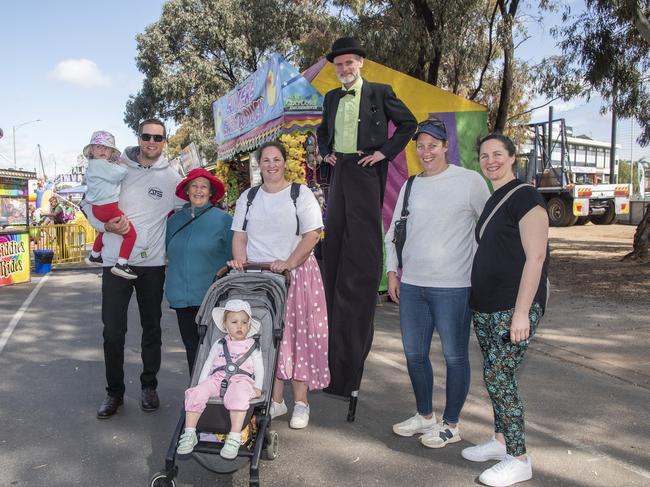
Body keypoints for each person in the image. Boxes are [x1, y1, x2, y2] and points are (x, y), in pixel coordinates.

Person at [316, 37, 417, 405]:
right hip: (339, 170)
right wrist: (325, 152)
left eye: (349, 63)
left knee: (361, 249)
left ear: (360, 62)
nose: (344, 70)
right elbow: (322, 131)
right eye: (338, 65)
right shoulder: (330, 98)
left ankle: (360, 286)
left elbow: (408, 124)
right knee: (335, 237)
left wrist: (383, 154)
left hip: (364, 167)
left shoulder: (379, 91)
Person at [385, 117, 490, 447]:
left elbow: (489, 227)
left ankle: (451, 424)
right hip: (413, 285)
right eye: (421, 146)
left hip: (454, 288)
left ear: (446, 146)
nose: (426, 151)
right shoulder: (411, 185)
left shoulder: (469, 181)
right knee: (415, 355)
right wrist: (392, 273)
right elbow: (393, 234)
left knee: (455, 357)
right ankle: (424, 415)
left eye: (433, 145)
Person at [461, 133, 549, 487]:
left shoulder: (525, 196)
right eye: (484, 155)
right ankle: (500, 441)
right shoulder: (494, 198)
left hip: (513, 307)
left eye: (498, 154)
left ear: (513, 157)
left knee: (501, 378)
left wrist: (521, 313)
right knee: (495, 378)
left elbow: (536, 256)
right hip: (487, 306)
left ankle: (519, 458)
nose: (490, 160)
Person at [84, 118, 183, 419]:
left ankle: (148, 386)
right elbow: (88, 204)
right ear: (138, 138)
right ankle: (114, 393)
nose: (152, 142)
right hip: (116, 263)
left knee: (152, 328)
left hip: (152, 265)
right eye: (146, 136)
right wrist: (104, 224)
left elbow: (187, 211)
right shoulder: (116, 165)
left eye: (158, 138)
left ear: (165, 142)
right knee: (113, 331)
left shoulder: (173, 177)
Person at [228, 140, 329, 430]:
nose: (271, 165)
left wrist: (289, 262)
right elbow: (240, 236)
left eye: (276, 159)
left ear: (285, 162)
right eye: (265, 160)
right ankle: (275, 400)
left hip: (296, 274)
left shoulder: (301, 194)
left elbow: (312, 234)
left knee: (297, 337)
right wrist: (241, 265)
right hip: (261, 277)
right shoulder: (248, 197)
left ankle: (301, 403)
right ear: (259, 165)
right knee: (265, 338)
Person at [177, 299, 263, 460]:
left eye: (244, 322)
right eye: (234, 322)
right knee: (195, 393)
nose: (239, 326)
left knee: (238, 395)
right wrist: (202, 383)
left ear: (249, 325)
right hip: (217, 379)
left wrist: (258, 387)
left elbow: (259, 368)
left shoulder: (253, 346)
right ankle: (190, 433)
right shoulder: (219, 343)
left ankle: (234, 436)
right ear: (225, 325)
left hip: (241, 381)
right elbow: (208, 364)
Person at [166, 168, 233, 373]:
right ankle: (196, 397)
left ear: (211, 192)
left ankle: (218, 397)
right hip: (181, 298)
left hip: (212, 298)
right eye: (194, 186)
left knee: (216, 349)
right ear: (187, 190)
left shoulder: (224, 220)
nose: (198, 191)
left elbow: (234, 259)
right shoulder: (173, 222)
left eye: (203, 186)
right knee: (192, 348)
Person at [83, 130, 137, 279]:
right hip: (108, 207)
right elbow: (118, 175)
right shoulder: (100, 164)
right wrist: (123, 166)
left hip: (98, 208)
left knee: (104, 230)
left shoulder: (93, 165)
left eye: (106, 148)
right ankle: (121, 264)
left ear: (110, 151)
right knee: (131, 234)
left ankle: (94, 254)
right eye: (99, 147)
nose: (103, 150)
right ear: (92, 150)